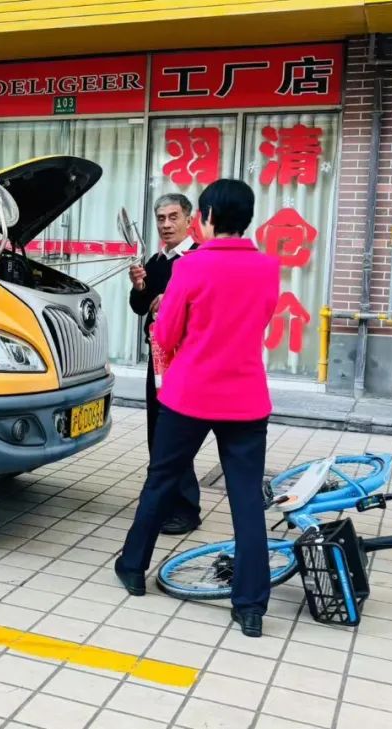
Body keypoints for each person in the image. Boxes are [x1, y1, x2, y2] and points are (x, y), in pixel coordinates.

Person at [114, 178, 280, 639]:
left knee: (161, 480)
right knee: (247, 501)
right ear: (247, 218)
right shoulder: (268, 267)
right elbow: (260, 322)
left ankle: (132, 568)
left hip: (188, 395)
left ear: (203, 217)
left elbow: (165, 335)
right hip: (246, 398)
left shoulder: (192, 267)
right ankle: (250, 606)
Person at [128, 193, 201, 535]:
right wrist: (140, 286)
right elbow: (141, 308)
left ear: (190, 219)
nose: (166, 224)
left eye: (173, 217)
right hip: (157, 360)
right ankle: (163, 501)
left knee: (177, 434)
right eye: (161, 218)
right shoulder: (157, 261)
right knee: (157, 432)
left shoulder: (200, 259)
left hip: (186, 361)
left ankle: (186, 509)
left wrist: (171, 300)